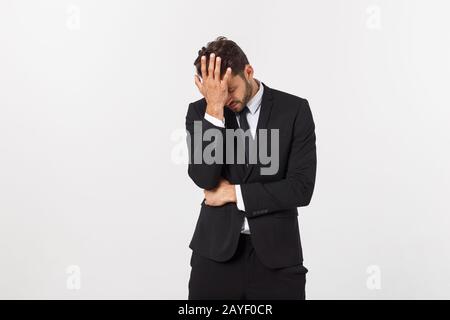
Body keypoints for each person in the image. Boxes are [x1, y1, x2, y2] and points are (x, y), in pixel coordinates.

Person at [185, 36, 317, 300]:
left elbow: (300, 188)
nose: (225, 99)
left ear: (248, 71)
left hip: (278, 261)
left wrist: (234, 193)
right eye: (216, 93)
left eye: (230, 90)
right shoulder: (202, 112)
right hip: (214, 258)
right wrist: (214, 109)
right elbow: (205, 178)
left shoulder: (294, 110)